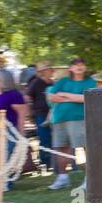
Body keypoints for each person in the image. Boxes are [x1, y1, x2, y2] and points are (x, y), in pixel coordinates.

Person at [46, 57, 96, 191]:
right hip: (59, 119)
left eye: (82, 64)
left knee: (85, 148)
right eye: (75, 65)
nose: (79, 66)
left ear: (85, 68)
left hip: (79, 119)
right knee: (61, 148)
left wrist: (65, 95)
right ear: (70, 68)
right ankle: (63, 178)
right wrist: (74, 97)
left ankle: (90, 180)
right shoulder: (63, 81)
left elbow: (86, 98)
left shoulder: (90, 82)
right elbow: (51, 97)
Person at [25, 60, 55, 173]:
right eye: (48, 70)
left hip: (53, 113)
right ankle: (45, 164)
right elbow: (27, 97)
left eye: (50, 69)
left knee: (53, 139)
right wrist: (30, 112)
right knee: (44, 138)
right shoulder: (36, 82)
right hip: (41, 114)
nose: (51, 71)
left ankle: (51, 162)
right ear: (43, 72)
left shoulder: (52, 83)